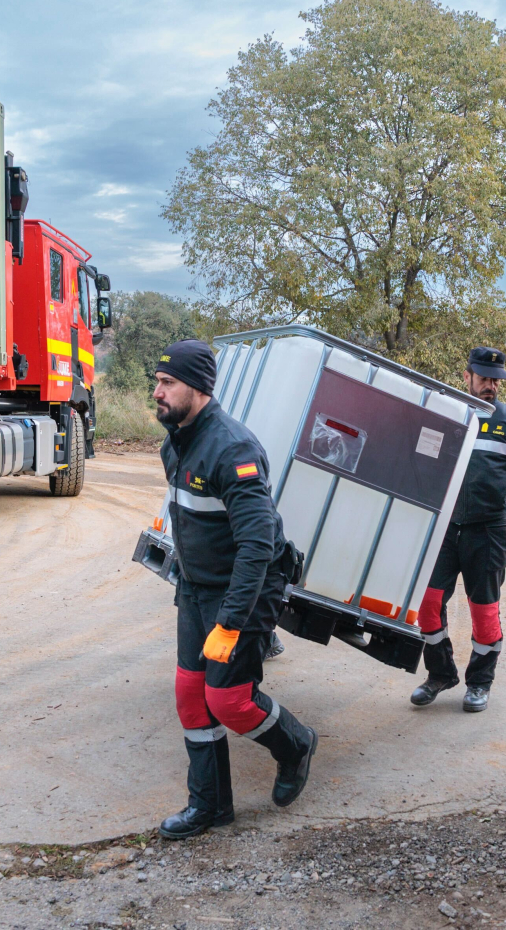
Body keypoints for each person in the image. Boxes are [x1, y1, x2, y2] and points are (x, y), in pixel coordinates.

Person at [152, 338, 318, 839]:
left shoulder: (234, 449)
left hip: (245, 591)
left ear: (199, 389)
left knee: (229, 701)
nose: (157, 393)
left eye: (167, 383)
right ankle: (210, 806)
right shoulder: (174, 441)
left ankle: (296, 744)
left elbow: (257, 547)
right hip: (197, 589)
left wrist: (229, 623)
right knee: (189, 696)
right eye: (156, 383)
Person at [410, 346, 506, 713]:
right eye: (483, 378)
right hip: (445, 531)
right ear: (467, 378)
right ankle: (440, 673)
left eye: (495, 380)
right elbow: (418, 464)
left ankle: (479, 683)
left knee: (484, 612)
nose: (490, 385)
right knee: (427, 605)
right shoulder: (447, 418)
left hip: (490, 533)